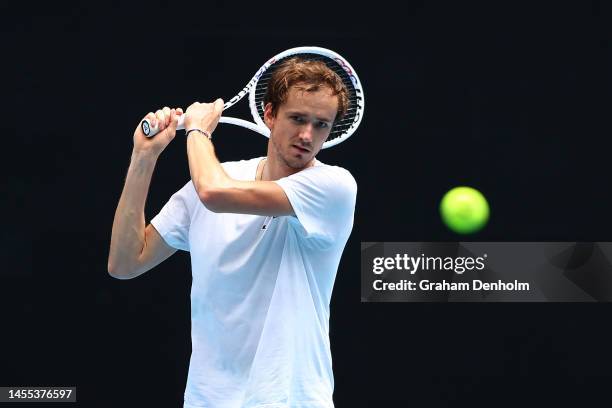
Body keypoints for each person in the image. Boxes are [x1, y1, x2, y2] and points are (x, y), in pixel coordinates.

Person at [108, 58, 357, 408]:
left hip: (291, 399)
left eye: (321, 125)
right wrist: (144, 156)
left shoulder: (334, 187)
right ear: (269, 114)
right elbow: (125, 262)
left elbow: (213, 193)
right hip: (207, 399)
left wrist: (197, 131)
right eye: (298, 118)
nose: (307, 135)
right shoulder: (210, 180)